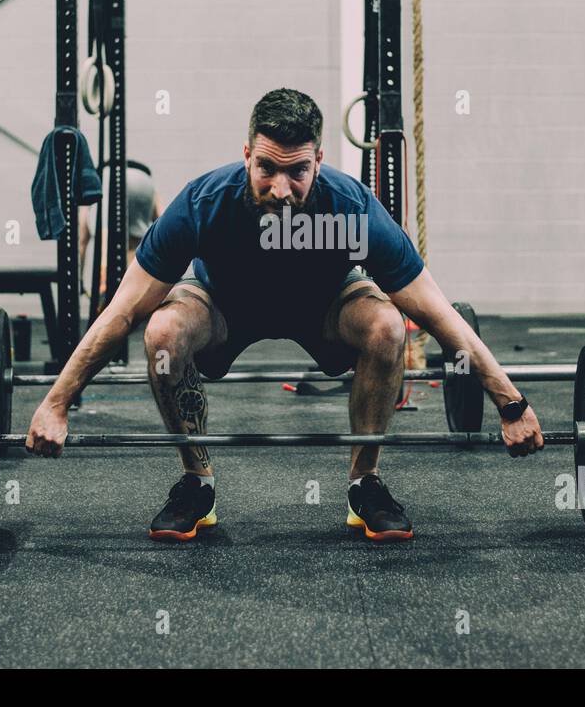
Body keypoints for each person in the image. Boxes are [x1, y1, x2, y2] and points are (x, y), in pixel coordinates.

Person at [27, 88, 542, 541]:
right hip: (224, 306)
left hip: (324, 306)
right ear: (246, 154)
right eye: (266, 168)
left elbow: (435, 311)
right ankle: (196, 482)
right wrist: (56, 402)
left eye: (297, 171)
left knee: (388, 325)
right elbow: (122, 312)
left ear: (318, 159)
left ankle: (365, 483)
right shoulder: (203, 203)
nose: (281, 189)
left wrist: (511, 403)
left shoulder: (352, 209)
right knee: (162, 329)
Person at [78, 162, 161, 303]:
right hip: (143, 181)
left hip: (107, 177)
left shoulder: (97, 181)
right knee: (135, 242)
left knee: (106, 233)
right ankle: (135, 291)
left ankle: (105, 283)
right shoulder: (143, 177)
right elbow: (161, 222)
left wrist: (78, 279)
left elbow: (82, 240)